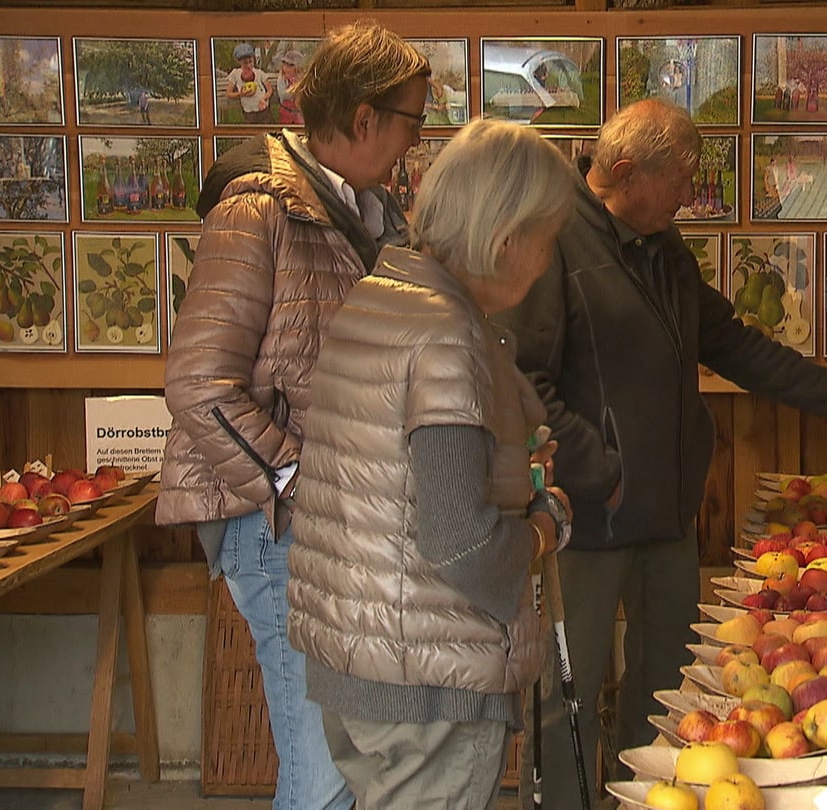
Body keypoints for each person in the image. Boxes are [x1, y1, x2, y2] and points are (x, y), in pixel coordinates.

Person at [493, 98, 827, 809]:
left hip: (665, 516)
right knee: (564, 699)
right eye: (681, 179)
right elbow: (523, 384)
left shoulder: (662, 244)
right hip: (584, 522)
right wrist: (604, 472)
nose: (690, 195)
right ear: (625, 171)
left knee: (665, 696)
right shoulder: (551, 240)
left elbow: (731, 343)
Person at [158, 21, 429, 810]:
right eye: (412, 120)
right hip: (281, 525)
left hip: (347, 525)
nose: (417, 141)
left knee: (352, 756)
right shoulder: (258, 213)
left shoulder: (370, 215)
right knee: (324, 772)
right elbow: (202, 385)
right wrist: (298, 479)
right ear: (365, 118)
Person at [286, 119, 576, 809]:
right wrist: (543, 526)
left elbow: (393, 471)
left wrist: (512, 444)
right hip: (425, 679)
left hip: (362, 656)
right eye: (549, 238)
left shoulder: (385, 294)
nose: (548, 259)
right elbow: (462, 542)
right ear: (508, 240)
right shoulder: (447, 333)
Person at [225, 42, 274, 125]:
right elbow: (229, 93)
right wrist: (241, 94)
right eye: (245, 63)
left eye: (250, 62)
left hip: (263, 110)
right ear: (239, 62)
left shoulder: (259, 73)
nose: (248, 65)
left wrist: (264, 98)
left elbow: (270, 89)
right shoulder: (235, 74)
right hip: (249, 112)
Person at [275, 50, 304, 126]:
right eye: (285, 65)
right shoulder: (282, 78)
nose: (287, 68)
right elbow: (282, 95)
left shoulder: (300, 78)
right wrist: (295, 89)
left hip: (299, 113)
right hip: (286, 112)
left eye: (290, 65)